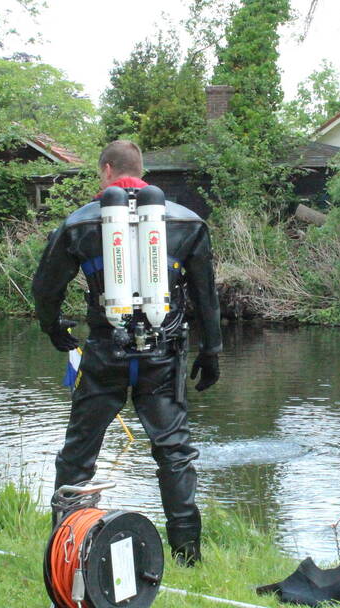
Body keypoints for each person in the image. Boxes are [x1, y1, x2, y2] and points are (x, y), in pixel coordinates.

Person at [32, 140, 221, 565]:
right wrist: (212, 351)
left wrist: (54, 328)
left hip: (104, 351)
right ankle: (188, 554)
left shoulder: (79, 223)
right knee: (174, 452)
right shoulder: (186, 221)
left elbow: (46, 288)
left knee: (79, 453)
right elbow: (206, 296)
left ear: (105, 170)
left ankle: (66, 547)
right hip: (163, 353)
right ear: (144, 172)